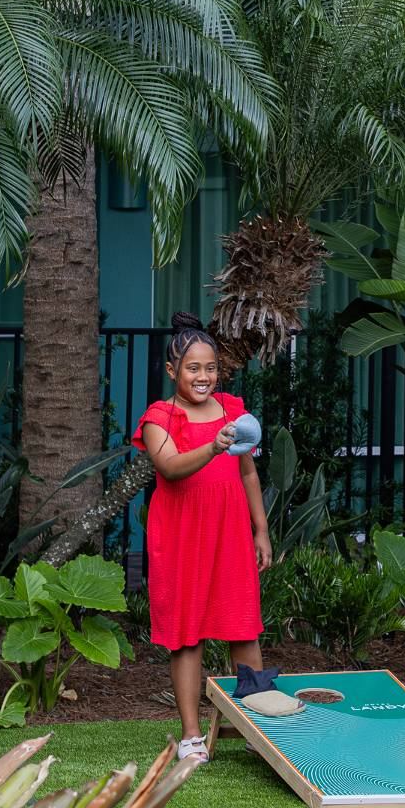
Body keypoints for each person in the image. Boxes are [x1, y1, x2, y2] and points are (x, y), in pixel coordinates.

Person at [134, 313, 272, 765]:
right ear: (173, 371)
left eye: (210, 367)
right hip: (181, 536)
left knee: (242, 624)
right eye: (193, 368)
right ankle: (191, 735)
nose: (203, 376)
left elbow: (248, 472)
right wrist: (213, 445)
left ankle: (257, 723)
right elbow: (170, 467)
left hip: (230, 531)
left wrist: (261, 529)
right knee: (187, 636)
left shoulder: (234, 410)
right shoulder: (160, 417)